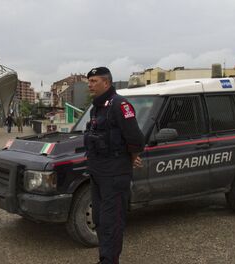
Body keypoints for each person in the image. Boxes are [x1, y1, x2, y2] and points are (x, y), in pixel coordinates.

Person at [84, 67, 145, 264]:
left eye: (94, 81)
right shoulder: (97, 108)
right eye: (89, 81)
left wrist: (131, 156)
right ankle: (106, 259)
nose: (90, 85)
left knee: (112, 222)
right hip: (97, 172)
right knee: (100, 220)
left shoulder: (120, 105)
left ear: (106, 83)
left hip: (114, 174)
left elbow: (135, 138)